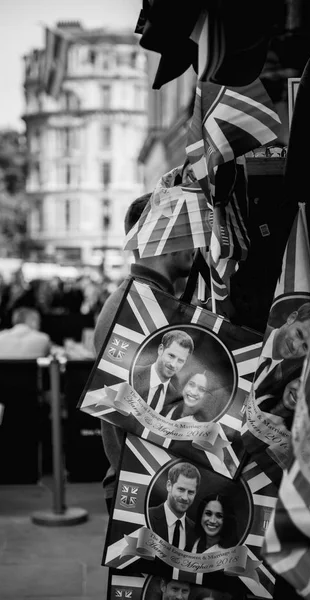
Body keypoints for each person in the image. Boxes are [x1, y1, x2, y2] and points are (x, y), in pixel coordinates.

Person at [94, 193, 195, 512]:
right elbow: (129, 412)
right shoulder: (137, 308)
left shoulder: (149, 300)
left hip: (153, 484)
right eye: (187, 229)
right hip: (144, 490)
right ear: (160, 234)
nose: (196, 242)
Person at [253, 302, 310, 400]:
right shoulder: (252, 333)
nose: (295, 346)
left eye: (305, 347)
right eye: (299, 333)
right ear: (292, 318)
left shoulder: (281, 381)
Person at [132, 330, 194, 415]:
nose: (173, 364)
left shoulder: (176, 399)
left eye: (180, 361)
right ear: (161, 349)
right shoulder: (132, 373)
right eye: (171, 356)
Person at [148, 462, 200, 550]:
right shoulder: (147, 515)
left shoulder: (196, 531)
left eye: (190, 492)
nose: (185, 497)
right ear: (169, 486)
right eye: (181, 489)